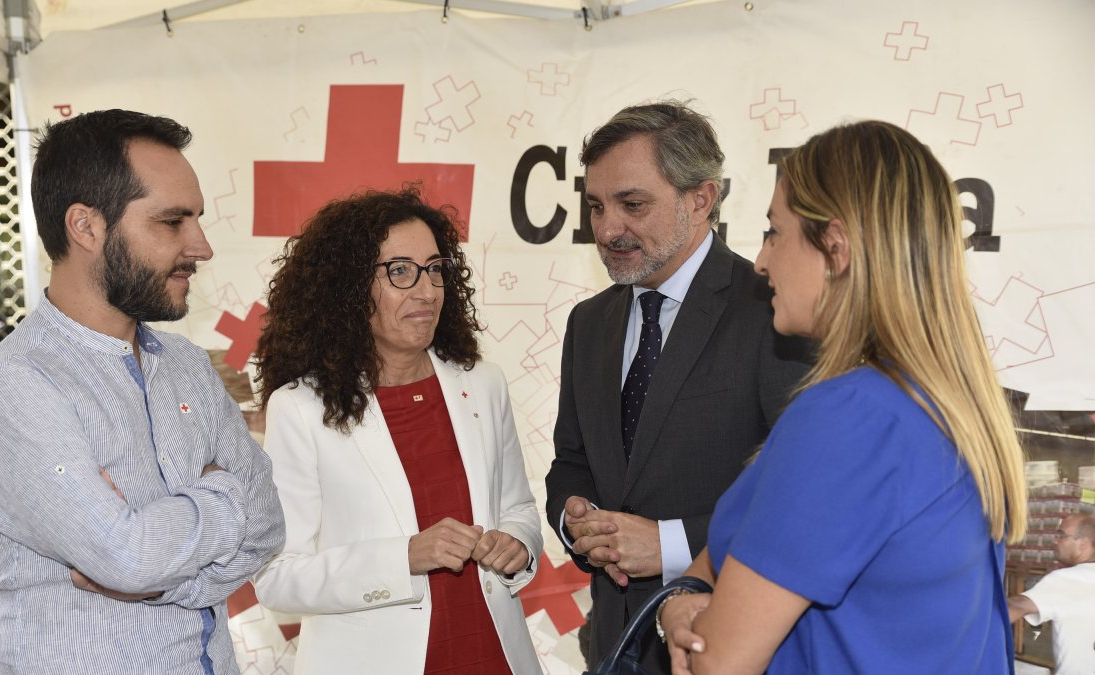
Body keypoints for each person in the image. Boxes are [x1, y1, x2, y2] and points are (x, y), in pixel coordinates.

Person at [659, 120, 1028, 674]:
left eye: (775, 233)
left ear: (836, 247)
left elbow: (719, 662)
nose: (761, 262)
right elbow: (732, 555)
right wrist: (686, 596)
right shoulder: (936, 406)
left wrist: (683, 613)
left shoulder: (852, 417)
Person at [0, 109, 285, 674]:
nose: (201, 246)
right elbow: (127, 559)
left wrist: (160, 579)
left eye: (197, 220)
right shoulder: (15, 385)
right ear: (86, 227)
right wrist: (225, 491)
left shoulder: (185, 364)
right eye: (172, 222)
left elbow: (269, 528)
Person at [543, 101, 810, 671]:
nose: (607, 228)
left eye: (632, 204)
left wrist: (670, 545)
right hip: (611, 645)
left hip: (723, 643)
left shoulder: (775, 311)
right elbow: (571, 462)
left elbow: (802, 499)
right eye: (596, 206)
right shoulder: (587, 324)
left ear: (701, 199)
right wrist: (577, 519)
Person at [251, 187, 544, 675]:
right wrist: (403, 558)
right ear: (347, 288)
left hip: (493, 654)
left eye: (434, 269)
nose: (426, 291)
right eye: (400, 271)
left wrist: (517, 544)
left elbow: (518, 508)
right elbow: (277, 578)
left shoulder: (483, 383)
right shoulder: (300, 408)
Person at [1009, 514, 1095, 674]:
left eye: (1061, 535)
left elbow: (1015, 607)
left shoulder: (1067, 579)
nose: (1055, 541)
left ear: (1083, 544)